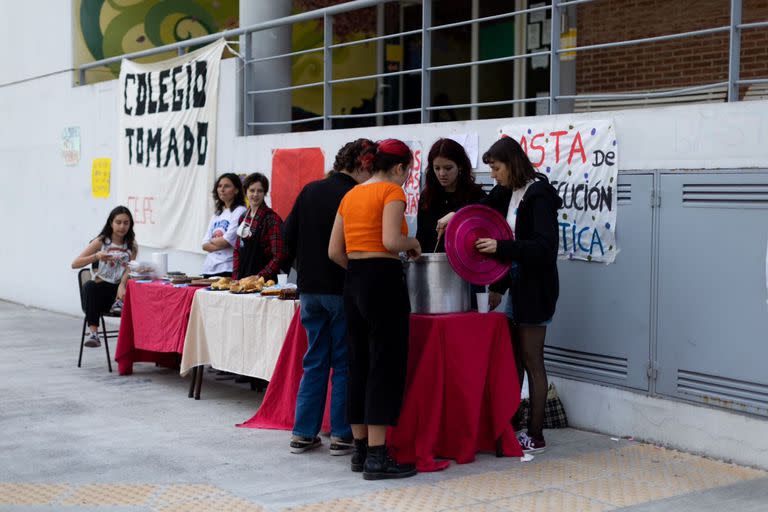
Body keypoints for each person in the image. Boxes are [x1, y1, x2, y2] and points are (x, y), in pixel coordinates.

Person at [438, 137, 562, 453]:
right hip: (517, 286)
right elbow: (483, 211)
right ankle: (513, 424)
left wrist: (500, 248)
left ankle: (535, 434)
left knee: (533, 360)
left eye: (495, 168)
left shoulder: (539, 195)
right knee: (513, 358)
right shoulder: (509, 191)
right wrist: (456, 217)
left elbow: (544, 249)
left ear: (512, 164)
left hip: (536, 290)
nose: (493, 175)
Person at [329, 138, 421, 480]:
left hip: (353, 278)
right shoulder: (392, 192)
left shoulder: (351, 194)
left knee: (358, 362)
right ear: (399, 168)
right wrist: (414, 245)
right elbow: (391, 241)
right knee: (385, 363)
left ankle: (361, 451)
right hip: (383, 279)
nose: (406, 178)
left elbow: (333, 251)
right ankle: (379, 458)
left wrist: (359, 269)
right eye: (407, 172)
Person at [283, 138, 375, 456]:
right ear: (363, 165)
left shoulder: (310, 190)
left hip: (309, 289)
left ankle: (303, 432)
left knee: (314, 362)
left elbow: (287, 237)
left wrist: (306, 268)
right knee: (345, 363)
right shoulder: (357, 194)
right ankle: (341, 434)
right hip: (343, 287)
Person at [71, 206, 138, 347]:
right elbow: (75, 264)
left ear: (130, 224)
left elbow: (128, 269)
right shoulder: (101, 241)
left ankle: (140, 341)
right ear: (111, 223)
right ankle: (94, 334)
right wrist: (96, 256)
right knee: (89, 286)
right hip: (100, 294)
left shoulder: (132, 245)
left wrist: (122, 284)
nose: (122, 226)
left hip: (119, 293)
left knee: (140, 289)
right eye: (118, 222)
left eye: (126, 223)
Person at [416, 138, 486, 253]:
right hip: (434, 263)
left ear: (460, 166)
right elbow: (421, 236)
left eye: (448, 168)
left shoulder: (476, 195)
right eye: (437, 168)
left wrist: (458, 215)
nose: (442, 174)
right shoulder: (427, 196)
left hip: (466, 263)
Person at [233, 173, 286, 281]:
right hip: (243, 280)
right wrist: (235, 277)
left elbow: (278, 255)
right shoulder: (243, 218)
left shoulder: (271, 218)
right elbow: (237, 251)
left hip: (265, 282)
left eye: (260, 191)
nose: (255, 194)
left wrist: (260, 276)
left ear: (265, 193)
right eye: (252, 190)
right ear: (245, 192)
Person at [201, 173, 247, 278]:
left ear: (236, 190)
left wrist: (212, 240)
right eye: (219, 186)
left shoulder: (240, 211)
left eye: (227, 186)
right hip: (209, 269)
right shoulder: (217, 214)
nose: (222, 189)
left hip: (227, 269)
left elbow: (226, 241)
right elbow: (204, 244)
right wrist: (219, 241)